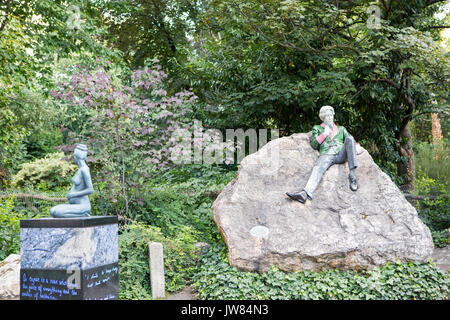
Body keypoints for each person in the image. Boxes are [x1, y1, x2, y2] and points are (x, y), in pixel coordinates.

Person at [286, 105, 358, 204]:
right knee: (318, 168)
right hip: (326, 155)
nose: (330, 117)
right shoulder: (318, 128)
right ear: (323, 117)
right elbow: (314, 145)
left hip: (341, 154)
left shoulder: (341, 129)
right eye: (327, 116)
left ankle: (353, 175)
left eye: (331, 115)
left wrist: (356, 147)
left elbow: (351, 142)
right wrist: (324, 134)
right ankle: (305, 194)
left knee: (350, 139)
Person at [50, 144, 94, 218]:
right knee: (52, 211)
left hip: (83, 205)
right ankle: (81, 214)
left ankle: (83, 214)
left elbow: (90, 190)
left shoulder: (84, 170)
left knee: (57, 213)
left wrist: (74, 195)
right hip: (74, 205)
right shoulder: (80, 169)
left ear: (76, 157)